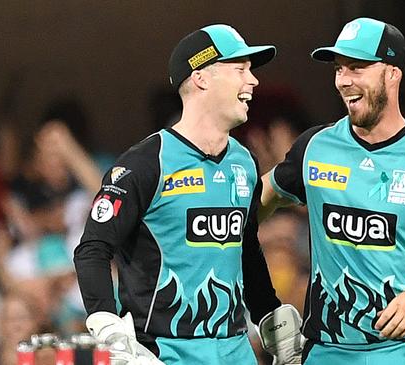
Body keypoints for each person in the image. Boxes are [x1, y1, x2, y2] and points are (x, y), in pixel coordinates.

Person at [260, 18, 405, 364]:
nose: (344, 81)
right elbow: (252, 204)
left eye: (357, 68)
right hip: (325, 351)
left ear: (392, 73)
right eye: (339, 69)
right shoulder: (314, 147)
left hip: (403, 351)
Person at [73, 24, 303, 365]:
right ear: (201, 78)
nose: (252, 81)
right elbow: (91, 249)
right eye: (240, 69)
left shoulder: (244, 161)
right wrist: (107, 325)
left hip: (237, 351)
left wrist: (269, 313)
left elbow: (246, 247)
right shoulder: (145, 163)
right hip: (165, 354)